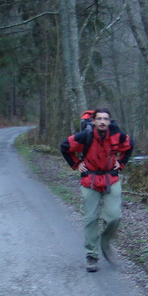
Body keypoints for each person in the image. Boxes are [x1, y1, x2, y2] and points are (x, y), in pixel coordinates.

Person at [60, 108, 135, 272]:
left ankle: (105, 243)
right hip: (90, 181)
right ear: (93, 121)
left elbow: (130, 145)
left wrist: (121, 163)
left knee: (114, 216)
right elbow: (65, 146)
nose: (102, 122)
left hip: (111, 179)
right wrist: (76, 164)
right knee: (90, 219)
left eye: (105, 119)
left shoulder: (117, 135)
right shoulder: (85, 137)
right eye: (99, 119)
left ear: (109, 122)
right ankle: (92, 256)